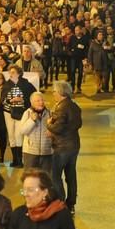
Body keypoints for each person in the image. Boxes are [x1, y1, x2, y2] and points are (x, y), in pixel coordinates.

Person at [46, 80, 83, 214]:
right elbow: (78, 124)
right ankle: (71, 203)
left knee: (55, 175)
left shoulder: (61, 108)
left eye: (54, 91)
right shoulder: (74, 106)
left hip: (62, 147)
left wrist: (49, 124)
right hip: (74, 146)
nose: (53, 94)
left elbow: (58, 127)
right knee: (71, 175)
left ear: (61, 92)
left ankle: (61, 202)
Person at [2, 65, 35, 168]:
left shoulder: (26, 84)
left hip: (21, 112)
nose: (10, 74)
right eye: (10, 72)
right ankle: (14, 159)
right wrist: (10, 101)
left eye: (13, 72)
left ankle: (20, 160)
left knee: (18, 135)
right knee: (11, 136)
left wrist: (23, 100)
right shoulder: (7, 85)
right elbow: (2, 99)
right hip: (8, 112)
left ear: (19, 73)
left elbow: (33, 95)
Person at [17, 91, 53, 172]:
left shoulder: (50, 113)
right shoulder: (27, 113)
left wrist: (52, 130)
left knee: (45, 179)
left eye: (42, 100)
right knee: (30, 177)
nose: (41, 102)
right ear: (32, 102)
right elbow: (22, 131)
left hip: (47, 152)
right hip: (30, 152)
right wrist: (32, 120)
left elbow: (55, 131)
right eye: (38, 101)